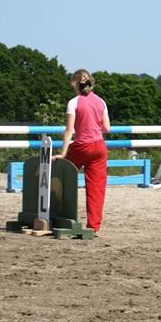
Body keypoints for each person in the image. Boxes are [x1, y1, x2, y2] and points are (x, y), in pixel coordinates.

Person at [52, 69, 110, 233]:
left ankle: (57, 215)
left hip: (81, 147)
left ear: (75, 84)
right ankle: (94, 227)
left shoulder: (74, 102)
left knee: (62, 176)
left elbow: (69, 131)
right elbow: (107, 128)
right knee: (96, 189)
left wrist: (63, 154)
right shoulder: (101, 102)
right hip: (99, 147)